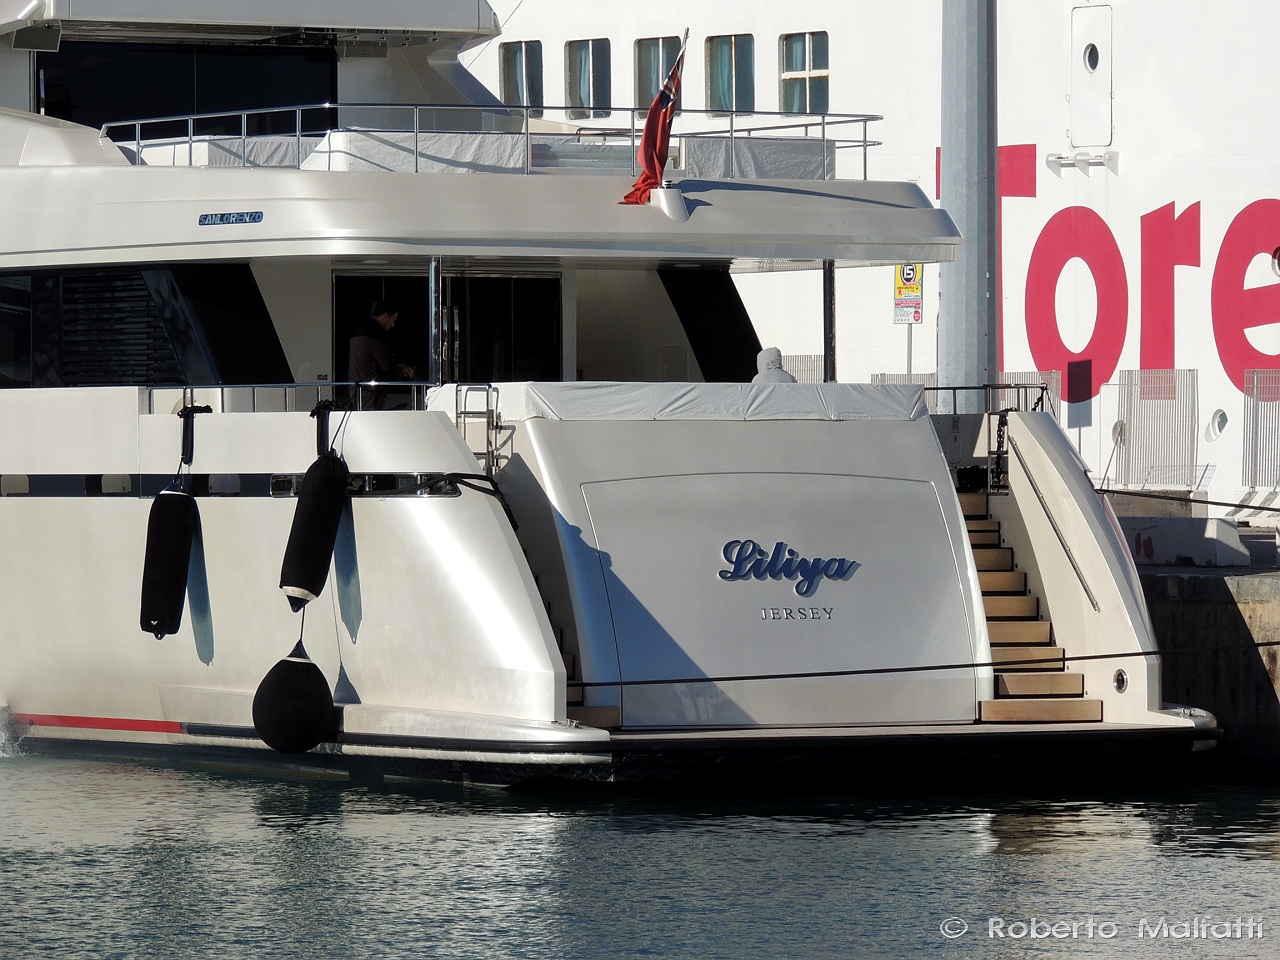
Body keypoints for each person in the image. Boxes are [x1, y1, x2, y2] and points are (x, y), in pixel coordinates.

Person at [348, 300, 414, 408]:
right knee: (373, 417)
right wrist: (399, 369)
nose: (392, 325)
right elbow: (386, 364)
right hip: (370, 391)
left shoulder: (360, 331)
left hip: (355, 387)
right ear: (385, 316)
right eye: (393, 320)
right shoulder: (374, 334)